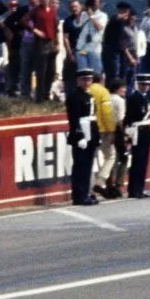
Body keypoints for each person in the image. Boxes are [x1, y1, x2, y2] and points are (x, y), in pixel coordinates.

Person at [65, 68, 99, 205]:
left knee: (88, 166)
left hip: (90, 132)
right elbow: (73, 118)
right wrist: (79, 136)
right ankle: (79, 195)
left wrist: (96, 136)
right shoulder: (74, 96)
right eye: (84, 79)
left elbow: (93, 117)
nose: (87, 82)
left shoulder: (89, 95)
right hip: (81, 133)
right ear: (78, 81)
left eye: (89, 79)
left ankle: (85, 192)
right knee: (80, 165)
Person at [123, 72, 150, 199]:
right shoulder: (134, 98)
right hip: (137, 131)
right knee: (138, 162)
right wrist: (127, 133)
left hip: (145, 131)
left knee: (143, 163)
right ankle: (135, 189)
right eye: (142, 84)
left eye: (146, 84)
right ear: (138, 84)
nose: (145, 87)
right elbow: (129, 116)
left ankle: (139, 188)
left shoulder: (146, 97)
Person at [103, 2, 137, 89]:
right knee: (113, 74)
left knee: (121, 74)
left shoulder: (123, 22)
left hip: (119, 51)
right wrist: (122, 15)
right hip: (111, 51)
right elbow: (117, 18)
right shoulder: (115, 18)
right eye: (125, 11)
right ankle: (111, 91)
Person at [78, 0, 107, 74]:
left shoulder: (102, 15)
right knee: (84, 73)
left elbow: (99, 28)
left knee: (96, 73)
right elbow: (78, 25)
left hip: (95, 49)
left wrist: (91, 16)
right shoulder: (84, 14)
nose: (93, 4)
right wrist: (82, 9)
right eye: (91, 1)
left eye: (95, 2)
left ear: (100, 4)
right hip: (83, 48)